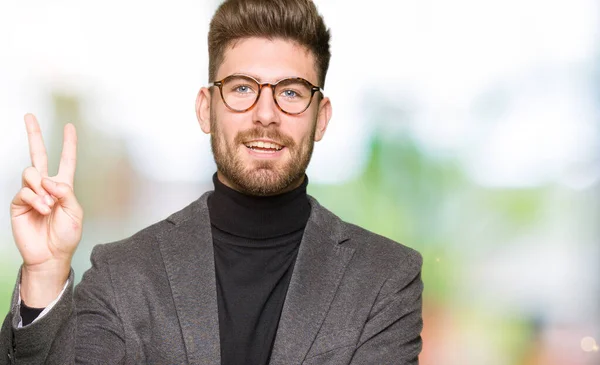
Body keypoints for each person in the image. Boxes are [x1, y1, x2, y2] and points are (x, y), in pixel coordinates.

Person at [0, 0, 423, 364]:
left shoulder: (385, 279)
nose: (265, 114)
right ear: (206, 109)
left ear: (321, 117)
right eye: (242, 88)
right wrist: (45, 273)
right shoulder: (123, 273)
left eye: (291, 92)